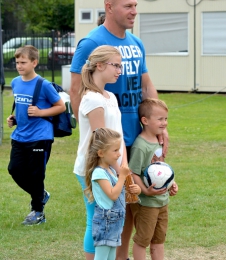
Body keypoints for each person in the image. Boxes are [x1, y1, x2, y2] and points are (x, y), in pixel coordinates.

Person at [70, 1, 169, 259]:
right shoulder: (91, 45)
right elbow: (97, 135)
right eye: (128, 5)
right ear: (109, 6)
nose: (134, 10)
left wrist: (159, 128)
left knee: (120, 212)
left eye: (136, 4)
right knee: (99, 218)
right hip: (104, 160)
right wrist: (111, 165)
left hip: (126, 150)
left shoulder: (110, 93)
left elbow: (147, 88)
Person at [72, 45, 140, 260]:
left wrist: (125, 170)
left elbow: (117, 137)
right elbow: (102, 144)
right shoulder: (93, 99)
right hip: (95, 169)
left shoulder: (110, 96)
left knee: (110, 217)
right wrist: (119, 171)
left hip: (114, 167)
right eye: (116, 65)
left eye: (121, 66)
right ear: (99, 66)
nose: (120, 70)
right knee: (97, 218)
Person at [6, 45, 66, 225]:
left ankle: (37, 212)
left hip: (40, 136)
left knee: (36, 174)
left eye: (23, 62)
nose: (19, 66)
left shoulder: (44, 84)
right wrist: (15, 119)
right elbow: (23, 106)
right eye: (17, 62)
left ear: (34, 62)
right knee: (14, 169)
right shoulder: (16, 82)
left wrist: (40, 113)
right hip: (20, 136)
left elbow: (60, 106)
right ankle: (41, 194)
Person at [128, 98, 178, 260]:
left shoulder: (158, 140)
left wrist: (171, 182)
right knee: (142, 241)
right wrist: (145, 191)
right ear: (145, 120)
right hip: (146, 204)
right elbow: (133, 173)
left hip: (162, 202)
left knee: (159, 241)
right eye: (160, 119)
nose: (164, 123)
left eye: (166, 119)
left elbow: (160, 168)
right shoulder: (140, 146)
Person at [84, 128, 131, 260]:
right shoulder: (99, 173)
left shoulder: (110, 169)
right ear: (101, 153)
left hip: (115, 222)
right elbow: (112, 195)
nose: (119, 154)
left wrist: (133, 190)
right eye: (115, 150)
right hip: (105, 223)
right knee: (101, 257)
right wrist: (122, 177)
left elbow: (118, 191)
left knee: (111, 257)